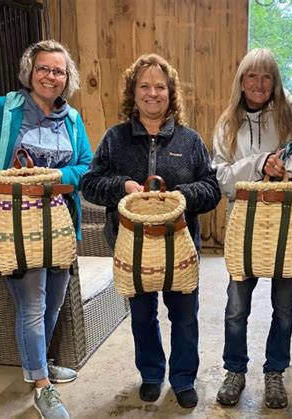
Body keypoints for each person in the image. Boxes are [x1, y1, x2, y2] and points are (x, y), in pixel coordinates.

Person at [81, 53, 221, 409]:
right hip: (132, 250)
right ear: (133, 91)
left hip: (181, 251)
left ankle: (183, 377)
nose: (152, 93)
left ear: (170, 93)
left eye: (160, 86)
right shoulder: (115, 139)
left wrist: (181, 196)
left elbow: (212, 189)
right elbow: (90, 184)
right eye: (144, 86)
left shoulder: (190, 142)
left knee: (184, 317)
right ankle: (151, 374)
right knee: (142, 316)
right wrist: (124, 186)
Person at [0, 40, 93, 418]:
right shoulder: (2, 109)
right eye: (43, 68)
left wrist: (61, 175)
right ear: (30, 71)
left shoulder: (72, 119)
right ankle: (42, 385)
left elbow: (87, 165)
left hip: (59, 227)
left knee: (53, 302)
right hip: (13, 230)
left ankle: (39, 362)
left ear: (66, 78)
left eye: (58, 71)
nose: (50, 76)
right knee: (32, 304)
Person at [212, 48, 292, 409]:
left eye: (267, 76)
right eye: (252, 76)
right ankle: (234, 370)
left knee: (284, 307)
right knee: (236, 307)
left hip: (288, 227)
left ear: (275, 81)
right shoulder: (228, 122)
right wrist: (258, 163)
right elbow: (219, 176)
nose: (259, 83)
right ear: (241, 80)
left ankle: (274, 372)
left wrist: (289, 166)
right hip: (244, 226)